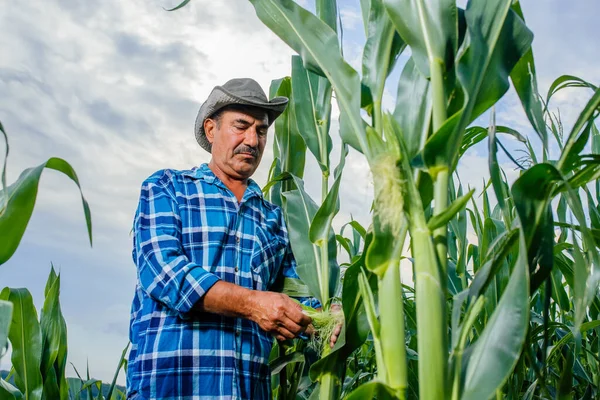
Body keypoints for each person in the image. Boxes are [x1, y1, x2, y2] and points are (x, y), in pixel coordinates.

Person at [126, 78, 338, 400]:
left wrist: (328, 316)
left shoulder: (276, 219)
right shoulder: (168, 188)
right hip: (171, 387)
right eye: (241, 126)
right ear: (211, 130)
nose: (252, 140)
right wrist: (253, 304)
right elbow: (163, 271)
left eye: (261, 131)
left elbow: (299, 294)